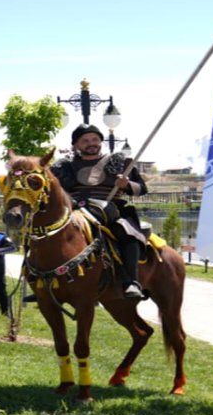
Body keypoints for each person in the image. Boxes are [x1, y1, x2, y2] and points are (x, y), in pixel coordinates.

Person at [50, 124, 149, 299]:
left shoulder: (121, 163)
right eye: (85, 140)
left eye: (95, 139)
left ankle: (131, 282)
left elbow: (142, 189)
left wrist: (127, 185)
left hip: (113, 211)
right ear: (76, 145)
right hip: (75, 210)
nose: (91, 143)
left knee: (126, 234)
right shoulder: (64, 167)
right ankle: (47, 282)